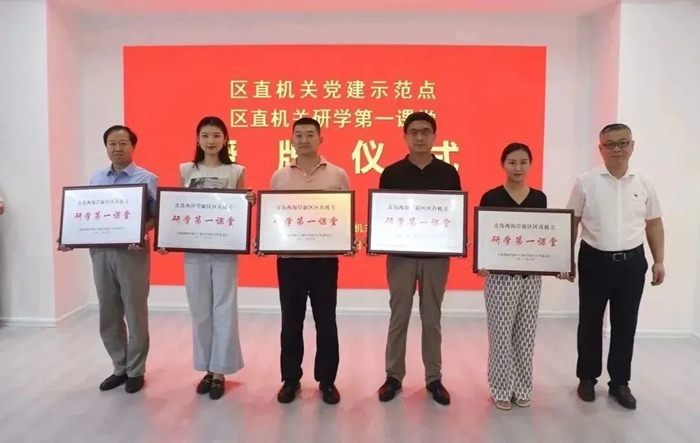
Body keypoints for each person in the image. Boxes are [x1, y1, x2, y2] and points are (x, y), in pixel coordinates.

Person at [561, 123, 665, 410]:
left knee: (625, 324)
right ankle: (587, 378)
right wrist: (565, 259)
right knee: (590, 322)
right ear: (601, 148)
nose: (617, 149)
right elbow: (571, 221)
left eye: (623, 143)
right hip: (594, 260)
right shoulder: (586, 181)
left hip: (632, 264)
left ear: (632, 146)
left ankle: (620, 382)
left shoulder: (643, 183)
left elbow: (654, 223)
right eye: (610, 144)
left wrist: (659, 260)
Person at [158, 116, 255, 400]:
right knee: (200, 309)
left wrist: (249, 202)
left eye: (216, 135)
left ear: (225, 139)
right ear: (197, 139)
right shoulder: (186, 169)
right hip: (194, 249)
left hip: (225, 249)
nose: (210, 141)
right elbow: (180, 206)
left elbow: (239, 210)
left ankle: (220, 371)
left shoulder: (236, 170)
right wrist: (168, 238)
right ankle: (207, 369)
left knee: (224, 308)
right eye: (205, 135)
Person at [60, 125, 157, 394]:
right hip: (101, 252)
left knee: (135, 313)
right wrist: (70, 236)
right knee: (109, 311)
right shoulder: (97, 177)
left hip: (132, 253)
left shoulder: (147, 178)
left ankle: (136, 370)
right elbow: (86, 215)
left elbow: (155, 217)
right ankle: (119, 366)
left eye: (123, 143)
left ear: (133, 146)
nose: (117, 148)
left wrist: (140, 232)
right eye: (112, 143)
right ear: (106, 147)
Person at [265, 117, 355, 405]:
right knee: (290, 322)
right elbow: (274, 218)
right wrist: (266, 239)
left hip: (324, 262)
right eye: (299, 135)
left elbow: (344, 216)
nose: (304, 139)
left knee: (326, 322)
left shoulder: (337, 175)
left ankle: (327, 381)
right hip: (290, 261)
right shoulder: (279, 177)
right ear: (292, 139)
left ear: (320, 139)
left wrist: (348, 240)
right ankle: (290, 379)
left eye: (310, 134)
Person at [376, 112, 461, 406]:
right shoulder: (391, 173)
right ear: (405, 136)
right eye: (414, 132)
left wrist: (458, 237)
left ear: (435, 136)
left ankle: (433, 378)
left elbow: (454, 214)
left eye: (426, 131)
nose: (420, 137)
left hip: (435, 257)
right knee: (398, 315)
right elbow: (384, 214)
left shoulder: (448, 173)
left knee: (431, 318)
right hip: (400, 256)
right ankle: (393, 376)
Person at [476, 143, 547, 410]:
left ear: (530, 164)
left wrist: (557, 262)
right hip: (500, 278)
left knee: (526, 335)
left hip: (531, 278)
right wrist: (482, 261)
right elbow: (485, 236)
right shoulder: (491, 197)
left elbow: (544, 235)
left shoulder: (539, 198)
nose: (518, 168)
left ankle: (523, 388)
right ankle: (501, 389)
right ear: (502, 164)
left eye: (523, 162)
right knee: (500, 336)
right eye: (512, 162)